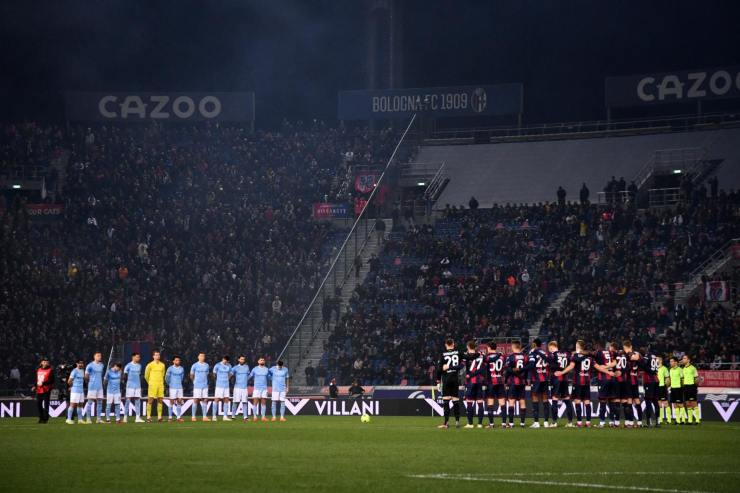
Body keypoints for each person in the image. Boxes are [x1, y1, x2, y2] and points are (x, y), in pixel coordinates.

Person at [556, 340, 614, 427]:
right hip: (587, 382)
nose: (575, 345)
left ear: (579, 346)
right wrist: (609, 372)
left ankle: (579, 422)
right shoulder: (590, 358)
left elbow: (571, 366)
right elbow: (598, 368)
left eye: (576, 344)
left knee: (577, 401)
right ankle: (588, 422)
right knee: (587, 402)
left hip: (577, 382)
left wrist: (561, 372)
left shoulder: (575, 356)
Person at [436, 338, 462, 429]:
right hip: (455, 379)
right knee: (455, 401)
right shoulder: (458, 353)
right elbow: (462, 364)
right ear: (453, 344)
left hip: (446, 380)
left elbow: (439, 369)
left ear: (446, 345)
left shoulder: (442, 354)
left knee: (446, 401)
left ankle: (446, 423)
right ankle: (457, 421)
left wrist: (438, 381)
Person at [547, 341, 574, 428]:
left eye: (549, 349)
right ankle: (570, 422)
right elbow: (571, 364)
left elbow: (551, 365)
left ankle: (554, 422)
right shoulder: (566, 354)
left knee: (554, 399)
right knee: (567, 399)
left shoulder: (552, 355)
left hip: (556, 379)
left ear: (551, 347)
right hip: (565, 379)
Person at [526, 338, 550, 428]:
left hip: (536, 379)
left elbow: (531, 366)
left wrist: (528, 378)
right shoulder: (545, 353)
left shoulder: (532, 352)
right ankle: (546, 422)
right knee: (545, 399)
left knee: (535, 398)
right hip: (545, 378)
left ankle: (536, 422)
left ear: (535, 344)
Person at [461, 340, 485, 428]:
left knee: (469, 402)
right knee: (480, 402)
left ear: (468, 347)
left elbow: (462, 366)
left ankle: (470, 424)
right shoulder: (481, 355)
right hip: (479, 381)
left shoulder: (466, 356)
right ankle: (480, 424)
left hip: (470, 381)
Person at [504, 340, 528, 428]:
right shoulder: (525, 357)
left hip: (513, 382)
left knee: (511, 401)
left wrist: (506, 381)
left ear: (513, 347)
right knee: (522, 401)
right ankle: (522, 423)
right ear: (520, 347)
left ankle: (511, 423)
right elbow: (527, 369)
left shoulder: (510, 357)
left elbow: (508, 370)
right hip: (522, 382)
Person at [594, 342, 617, 427]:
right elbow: (615, 363)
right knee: (611, 401)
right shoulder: (612, 353)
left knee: (602, 401)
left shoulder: (599, 352)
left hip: (603, 378)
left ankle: (602, 422)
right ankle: (611, 422)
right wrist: (609, 369)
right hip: (612, 378)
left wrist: (604, 367)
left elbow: (596, 365)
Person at [484, 343, 506, 428]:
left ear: (489, 348)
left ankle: (491, 424)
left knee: (490, 403)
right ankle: (503, 424)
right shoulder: (502, 357)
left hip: (491, 383)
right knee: (502, 404)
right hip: (500, 381)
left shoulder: (486, 357)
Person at [623, 341, 644, 427]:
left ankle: (630, 422)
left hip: (628, 380)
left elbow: (631, 358)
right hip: (635, 380)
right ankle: (639, 422)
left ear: (626, 347)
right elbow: (640, 359)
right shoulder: (637, 354)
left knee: (629, 401)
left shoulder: (626, 355)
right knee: (637, 401)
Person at [638, 349, 660, 427]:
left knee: (648, 401)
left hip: (649, 381)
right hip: (656, 380)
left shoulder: (646, 357)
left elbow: (643, 365)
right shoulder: (654, 357)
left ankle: (649, 421)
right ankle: (658, 421)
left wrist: (639, 360)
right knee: (655, 401)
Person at [144, 350, 166, 423]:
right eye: (156, 355)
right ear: (153, 356)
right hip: (152, 384)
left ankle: (159, 417)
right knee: (150, 400)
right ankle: (148, 417)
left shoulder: (162, 365)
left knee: (160, 400)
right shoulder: (150, 365)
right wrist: (150, 383)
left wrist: (160, 382)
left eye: (158, 355)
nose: (157, 356)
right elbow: (146, 376)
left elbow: (163, 375)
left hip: (160, 384)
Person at [84, 352, 105, 424]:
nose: (99, 357)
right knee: (90, 402)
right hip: (92, 387)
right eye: (98, 356)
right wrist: (89, 382)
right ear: (94, 357)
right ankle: (88, 419)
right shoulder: (90, 365)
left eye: (100, 356)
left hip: (100, 387)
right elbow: (86, 375)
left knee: (100, 402)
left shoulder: (102, 365)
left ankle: (98, 419)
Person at [123, 353, 145, 423]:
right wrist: (126, 384)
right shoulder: (128, 366)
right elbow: (125, 376)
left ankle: (137, 418)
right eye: (137, 357)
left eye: (139, 357)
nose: (138, 358)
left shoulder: (139, 366)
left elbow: (138, 376)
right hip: (130, 386)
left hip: (137, 386)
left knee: (137, 401)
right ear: (133, 357)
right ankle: (125, 417)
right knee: (128, 401)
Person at [190, 353, 210, 421]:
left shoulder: (207, 365)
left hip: (205, 385)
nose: (202, 357)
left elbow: (207, 374)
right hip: (197, 386)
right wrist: (194, 382)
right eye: (201, 356)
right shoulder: (194, 365)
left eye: (203, 356)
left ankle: (204, 417)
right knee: (196, 400)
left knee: (205, 400)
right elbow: (191, 375)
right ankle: (193, 417)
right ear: (198, 357)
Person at [681, 354, 701, 425]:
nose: (683, 359)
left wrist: (696, 387)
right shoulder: (683, 369)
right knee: (687, 404)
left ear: (688, 360)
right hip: (685, 387)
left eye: (685, 358)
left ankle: (697, 420)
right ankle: (689, 420)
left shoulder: (693, 368)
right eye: (683, 358)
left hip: (692, 387)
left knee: (693, 403)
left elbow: (697, 379)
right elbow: (683, 380)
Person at [212, 355, 233, 421]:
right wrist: (218, 380)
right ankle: (214, 416)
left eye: (227, 361)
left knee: (226, 400)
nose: (226, 362)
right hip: (219, 386)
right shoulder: (217, 365)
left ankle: (225, 417)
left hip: (226, 385)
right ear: (223, 359)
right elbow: (214, 374)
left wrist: (227, 379)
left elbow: (231, 373)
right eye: (225, 361)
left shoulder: (229, 365)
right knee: (217, 399)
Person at [34, 357, 54, 424]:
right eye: (44, 362)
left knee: (46, 405)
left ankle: (45, 419)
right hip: (39, 389)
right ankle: (41, 418)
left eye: (47, 362)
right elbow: (36, 379)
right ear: (41, 363)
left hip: (46, 390)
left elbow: (52, 380)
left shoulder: (50, 370)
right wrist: (35, 386)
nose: (46, 363)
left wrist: (44, 383)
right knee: (38, 404)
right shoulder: (38, 369)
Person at [249, 357, 270, 422]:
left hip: (264, 388)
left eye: (263, 360)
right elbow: (250, 376)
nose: (262, 361)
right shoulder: (254, 369)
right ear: (258, 361)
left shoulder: (267, 369)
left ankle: (263, 417)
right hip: (257, 388)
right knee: (255, 403)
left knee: (263, 403)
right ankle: (255, 417)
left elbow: (269, 378)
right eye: (261, 360)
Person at [165, 356, 185, 422]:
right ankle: (170, 417)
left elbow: (182, 378)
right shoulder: (170, 368)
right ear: (173, 361)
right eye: (176, 360)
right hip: (172, 387)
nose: (177, 361)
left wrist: (178, 383)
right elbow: (167, 378)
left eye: (178, 360)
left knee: (179, 401)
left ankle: (178, 417)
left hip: (179, 387)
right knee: (171, 401)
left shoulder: (182, 368)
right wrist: (170, 384)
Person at [231, 355, 251, 422]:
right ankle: (233, 416)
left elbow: (248, 375)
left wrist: (246, 381)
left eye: (243, 359)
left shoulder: (247, 367)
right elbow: (230, 375)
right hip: (237, 388)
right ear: (238, 360)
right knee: (235, 402)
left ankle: (245, 417)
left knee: (245, 402)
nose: (243, 360)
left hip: (244, 388)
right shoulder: (235, 368)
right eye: (241, 359)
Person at [66, 360, 86, 424]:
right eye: (79, 363)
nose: (81, 364)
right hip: (75, 391)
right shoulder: (74, 371)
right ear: (76, 364)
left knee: (80, 405)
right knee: (72, 404)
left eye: (82, 363)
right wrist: (72, 386)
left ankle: (80, 420)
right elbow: (69, 381)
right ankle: (68, 419)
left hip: (81, 391)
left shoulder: (83, 371)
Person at [667, 357, 685, 425]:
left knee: (680, 404)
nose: (670, 363)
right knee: (674, 405)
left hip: (679, 388)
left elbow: (683, 380)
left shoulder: (680, 370)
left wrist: (682, 388)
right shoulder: (670, 370)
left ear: (675, 362)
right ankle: (677, 420)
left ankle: (683, 420)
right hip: (673, 389)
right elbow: (670, 380)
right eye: (670, 361)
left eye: (671, 361)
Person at [656, 356, 671, 425]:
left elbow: (668, 379)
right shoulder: (655, 368)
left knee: (665, 403)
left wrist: (666, 386)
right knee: (659, 404)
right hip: (656, 387)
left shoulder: (664, 368)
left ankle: (669, 420)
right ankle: (661, 419)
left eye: (657, 360)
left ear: (661, 361)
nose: (656, 361)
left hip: (662, 387)